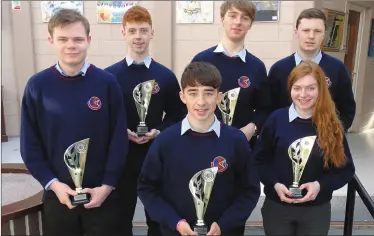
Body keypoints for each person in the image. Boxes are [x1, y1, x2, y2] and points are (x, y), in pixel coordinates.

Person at [20, 9, 128, 236]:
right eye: (63, 39)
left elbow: (118, 140)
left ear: (88, 40)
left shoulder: (107, 83)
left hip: (102, 196)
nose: (71, 45)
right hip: (58, 197)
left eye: (78, 39)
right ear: (51, 41)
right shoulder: (37, 86)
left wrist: (107, 185)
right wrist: (53, 184)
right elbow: (30, 146)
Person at [138, 61, 261, 236]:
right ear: (182, 97)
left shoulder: (235, 141)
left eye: (208, 93)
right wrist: (176, 222)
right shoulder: (165, 141)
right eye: (193, 93)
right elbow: (147, 189)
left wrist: (224, 224)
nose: (201, 102)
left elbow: (249, 190)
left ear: (219, 97)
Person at [104, 6, 186, 236]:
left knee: (158, 220)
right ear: (123, 33)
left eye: (143, 30)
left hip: (156, 156)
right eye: (132, 31)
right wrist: (123, 131)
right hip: (121, 158)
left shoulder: (165, 76)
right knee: (120, 219)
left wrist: (159, 131)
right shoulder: (109, 76)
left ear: (152, 33)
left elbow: (178, 114)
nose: (138, 36)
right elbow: (104, 118)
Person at [254, 61, 355, 236]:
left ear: (321, 90)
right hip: (277, 208)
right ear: (290, 89)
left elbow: (345, 170)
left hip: (315, 211)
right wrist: (274, 184)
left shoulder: (332, 123)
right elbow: (260, 160)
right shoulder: (276, 119)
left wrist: (320, 185)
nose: (303, 94)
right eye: (297, 88)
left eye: (310, 88)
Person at [191, 0, 272, 149]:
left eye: (245, 18)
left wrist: (251, 128)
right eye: (233, 15)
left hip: (242, 146)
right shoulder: (201, 60)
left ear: (250, 24)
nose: (238, 22)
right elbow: (189, 103)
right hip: (204, 143)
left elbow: (265, 109)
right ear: (222, 18)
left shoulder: (257, 67)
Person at [268, 8, 356, 131]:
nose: (311, 36)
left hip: (325, 140)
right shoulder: (279, 69)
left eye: (317, 31)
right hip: (285, 139)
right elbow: (269, 108)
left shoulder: (337, 69)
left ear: (324, 34)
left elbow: (347, 108)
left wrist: (335, 133)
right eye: (306, 30)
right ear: (296, 32)